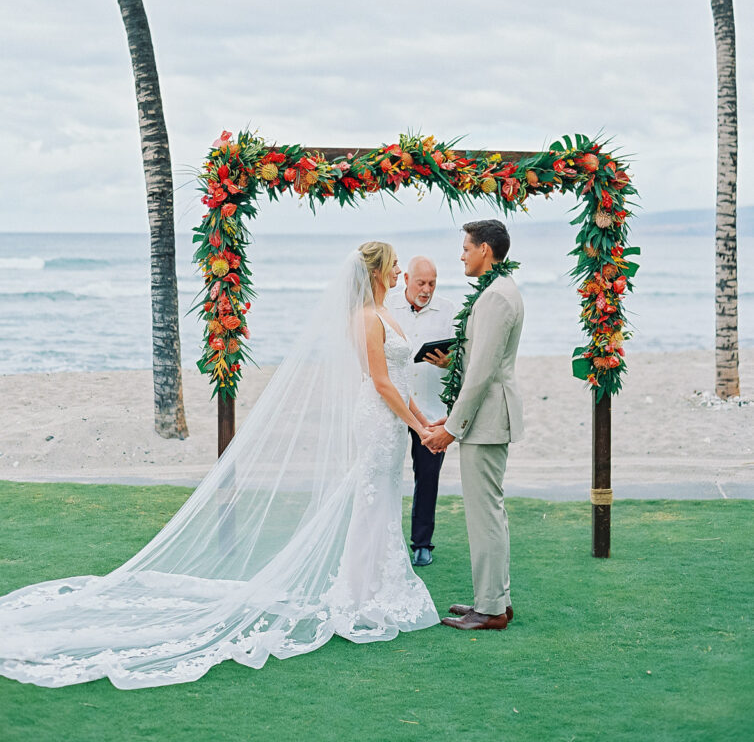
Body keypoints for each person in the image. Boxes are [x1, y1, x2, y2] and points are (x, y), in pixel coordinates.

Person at [0, 243, 439, 689]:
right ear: (379, 271)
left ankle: (376, 587)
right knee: (368, 502)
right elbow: (381, 382)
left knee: (382, 500)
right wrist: (418, 431)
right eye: (396, 264)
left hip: (392, 422)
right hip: (376, 420)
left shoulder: (388, 314)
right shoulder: (364, 318)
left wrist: (422, 423)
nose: (401, 269)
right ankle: (360, 595)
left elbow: (402, 384)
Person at [425, 220, 524, 632]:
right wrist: (453, 364)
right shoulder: (496, 291)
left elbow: (484, 372)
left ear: (485, 249)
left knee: (484, 514)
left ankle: (492, 610)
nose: (461, 255)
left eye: (466, 247)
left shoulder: (497, 297)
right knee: (488, 512)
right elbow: (480, 361)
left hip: (485, 421)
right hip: (483, 417)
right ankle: (493, 599)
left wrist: (453, 426)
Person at [387, 256, 455, 567]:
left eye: (432, 283)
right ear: (406, 280)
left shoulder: (449, 311)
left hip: (430, 412)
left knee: (427, 477)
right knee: (386, 474)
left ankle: (422, 543)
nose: (426, 289)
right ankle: (384, 541)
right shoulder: (386, 306)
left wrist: (448, 362)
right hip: (392, 409)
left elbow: (463, 359)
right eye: (420, 283)